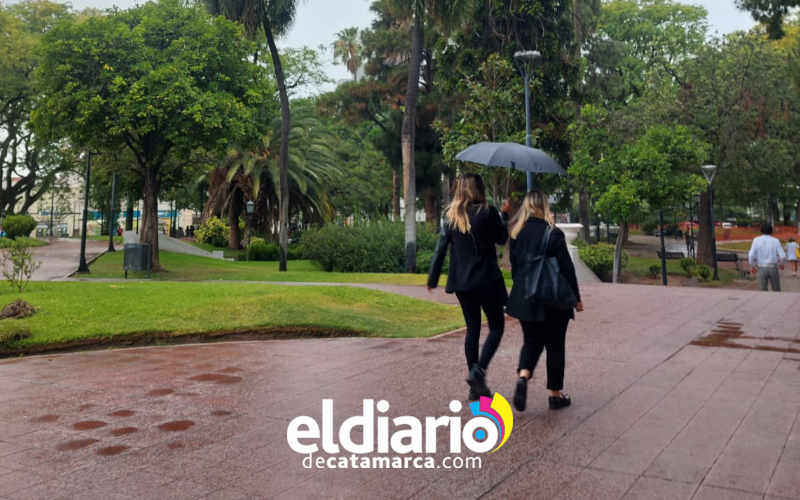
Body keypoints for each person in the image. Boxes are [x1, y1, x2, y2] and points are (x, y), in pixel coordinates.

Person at [427, 174, 510, 401]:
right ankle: (478, 372)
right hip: (486, 280)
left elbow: (440, 249)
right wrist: (504, 215)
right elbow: (501, 238)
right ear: (479, 189)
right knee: (496, 327)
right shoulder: (487, 211)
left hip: (462, 283)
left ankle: (475, 388)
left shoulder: (451, 215)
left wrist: (432, 279)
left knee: (472, 329)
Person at [505, 190, 583, 412]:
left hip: (526, 297)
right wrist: (576, 298)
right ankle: (555, 395)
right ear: (544, 207)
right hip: (553, 297)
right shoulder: (553, 233)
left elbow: (515, 268)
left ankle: (523, 375)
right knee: (555, 345)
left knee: (531, 341)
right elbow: (566, 268)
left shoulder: (517, 232)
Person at [748, 223, 785, 291]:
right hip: (773, 268)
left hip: (761, 268)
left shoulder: (756, 240)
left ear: (761, 230)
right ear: (771, 231)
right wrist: (781, 264)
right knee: (776, 290)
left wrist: (752, 266)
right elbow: (782, 256)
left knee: (763, 291)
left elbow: (751, 255)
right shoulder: (776, 241)